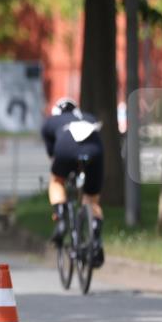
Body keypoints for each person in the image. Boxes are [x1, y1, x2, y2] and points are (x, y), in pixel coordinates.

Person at [41, 96, 104, 267]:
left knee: (56, 181)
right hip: (94, 151)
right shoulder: (88, 117)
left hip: (65, 148)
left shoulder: (51, 121)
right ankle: (95, 238)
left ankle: (61, 219)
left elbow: (52, 154)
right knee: (91, 198)